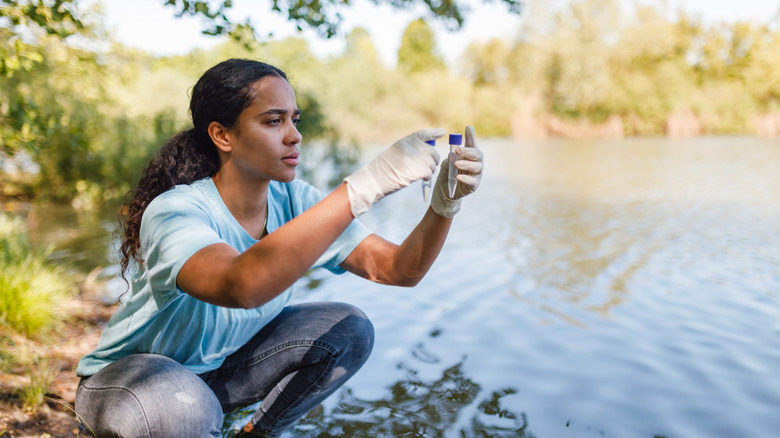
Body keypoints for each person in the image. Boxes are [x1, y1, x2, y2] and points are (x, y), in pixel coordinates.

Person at [74, 58, 483, 437]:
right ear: (222, 135)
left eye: (294, 119)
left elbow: (398, 269)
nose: (295, 135)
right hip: (127, 384)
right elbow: (241, 285)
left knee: (349, 329)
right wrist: (365, 186)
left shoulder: (295, 202)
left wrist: (444, 206)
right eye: (273, 121)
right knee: (185, 411)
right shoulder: (176, 211)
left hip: (214, 374)